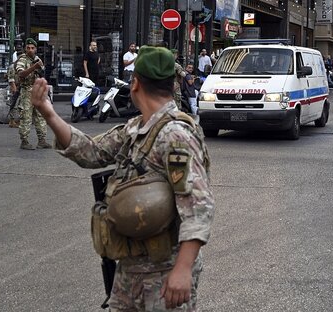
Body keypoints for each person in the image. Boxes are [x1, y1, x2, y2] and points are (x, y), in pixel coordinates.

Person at [29, 46, 214, 310]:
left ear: (135, 83)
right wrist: (49, 113)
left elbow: (198, 207)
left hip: (164, 271)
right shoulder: (136, 128)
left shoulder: (175, 135)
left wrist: (183, 270)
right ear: (171, 85)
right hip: (130, 268)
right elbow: (92, 152)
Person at [16, 38, 50, 150]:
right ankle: (24, 141)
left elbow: (42, 72)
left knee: (40, 116)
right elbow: (21, 74)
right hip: (26, 91)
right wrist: (33, 67)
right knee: (26, 116)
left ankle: (42, 140)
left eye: (32, 48)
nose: (30, 50)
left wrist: (39, 68)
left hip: (37, 91)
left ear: (35, 49)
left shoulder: (37, 59)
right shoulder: (22, 60)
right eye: (28, 48)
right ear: (25, 49)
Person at [6, 50, 23, 128]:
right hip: (15, 87)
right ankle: (12, 121)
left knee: (20, 105)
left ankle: (18, 120)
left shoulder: (20, 65)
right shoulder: (13, 66)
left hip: (20, 87)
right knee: (14, 104)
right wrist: (14, 88)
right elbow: (11, 79)